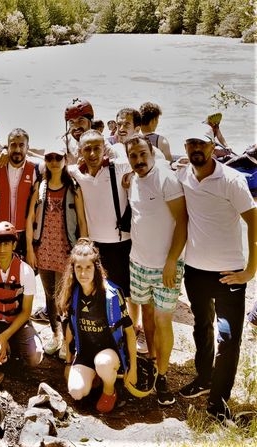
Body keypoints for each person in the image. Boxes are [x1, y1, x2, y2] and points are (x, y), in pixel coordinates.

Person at [176, 124, 257, 425]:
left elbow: (253, 221)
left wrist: (250, 269)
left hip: (229, 273)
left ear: (213, 147)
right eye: (191, 143)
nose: (197, 148)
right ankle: (204, 378)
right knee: (201, 326)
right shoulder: (183, 175)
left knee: (229, 338)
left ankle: (218, 405)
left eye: (202, 144)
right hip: (195, 271)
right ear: (186, 147)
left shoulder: (232, 180)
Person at [124, 135, 187, 406]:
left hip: (166, 267)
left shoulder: (165, 178)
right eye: (133, 156)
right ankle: (151, 359)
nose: (138, 160)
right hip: (138, 263)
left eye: (142, 155)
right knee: (147, 316)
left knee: (163, 321)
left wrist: (173, 260)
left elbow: (183, 221)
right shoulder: (133, 181)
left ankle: (163, 375)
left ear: (152, 154)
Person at [69, 130, 144, 354]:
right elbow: (50, 166)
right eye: (87, 148)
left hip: (122, 241)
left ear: (104, 149)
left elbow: (145, 162)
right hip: (96, 245)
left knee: (128, 290)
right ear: (80, 152)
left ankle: (135, 327)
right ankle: (108, 327)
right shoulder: (77, 173)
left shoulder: (119, 167)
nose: (92, 153)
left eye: (96, 148)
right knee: (103, 289)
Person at [56, 239, 137, 414]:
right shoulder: (73, 293)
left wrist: (134, 368)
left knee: (103, 362)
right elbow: (69, 330)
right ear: (73, 269)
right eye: (78, 268)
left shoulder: (112, 295)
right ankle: (96, 378)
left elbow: (130, 332)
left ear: (96, 268)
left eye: (88, 268)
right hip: (85, 353)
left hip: (109, 354)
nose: (83, 273)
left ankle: (110, 390)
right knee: (76, 392)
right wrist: (68, 362)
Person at [26, 146, 88, 356]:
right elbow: (30, 220)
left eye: (58, 157)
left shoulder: (73, 187)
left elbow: (81, 220)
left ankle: (67, 340)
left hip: (66, 252)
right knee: (49, 297)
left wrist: (84, 249)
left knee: (65, 298)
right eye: (49, 158)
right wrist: (30, 249)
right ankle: (55, 335)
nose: (53, 161)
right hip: (43, 251)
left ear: (65, 160)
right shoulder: (40, 186)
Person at [0, 221, 44, 387]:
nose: (2, 249)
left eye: (6, 244)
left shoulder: (26, 272)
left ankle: (12, 348)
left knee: (35, 357)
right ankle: (1, 350)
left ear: (14, 244)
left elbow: (26, 312)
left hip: (17, 323)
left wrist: (4, 338)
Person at [0, 128, 38, 256]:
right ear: (8, 146)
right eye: (13, 145)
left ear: (28, 148)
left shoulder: (36, 169)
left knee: (24, 273)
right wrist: (2, 151)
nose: (17, 149)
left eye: (21, 145)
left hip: (24, 234)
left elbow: (56, 161)